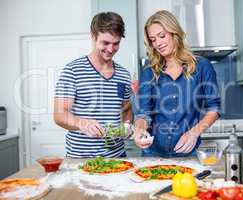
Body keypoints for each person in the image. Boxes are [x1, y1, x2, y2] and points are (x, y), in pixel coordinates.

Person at [134, 10, 221, 157]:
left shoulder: (201, 66)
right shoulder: (149, 70)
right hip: (153, 154)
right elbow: (143, 113)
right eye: (153, 40)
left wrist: (194, 133)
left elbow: (214, 108)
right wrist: (140, 129)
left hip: (188, 153)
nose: (158, 43)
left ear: (174, 33)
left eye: (162, 36)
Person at [54, 12, 132, 158]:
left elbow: (126, 109)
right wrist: (82, 123)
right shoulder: (72, 71)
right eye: (105, 43)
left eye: (116, 43)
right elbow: (59, 114)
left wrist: (127, 125)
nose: (111, 49)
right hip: (81, 159)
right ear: (93, 36)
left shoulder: (123, 74)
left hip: (118, 158)